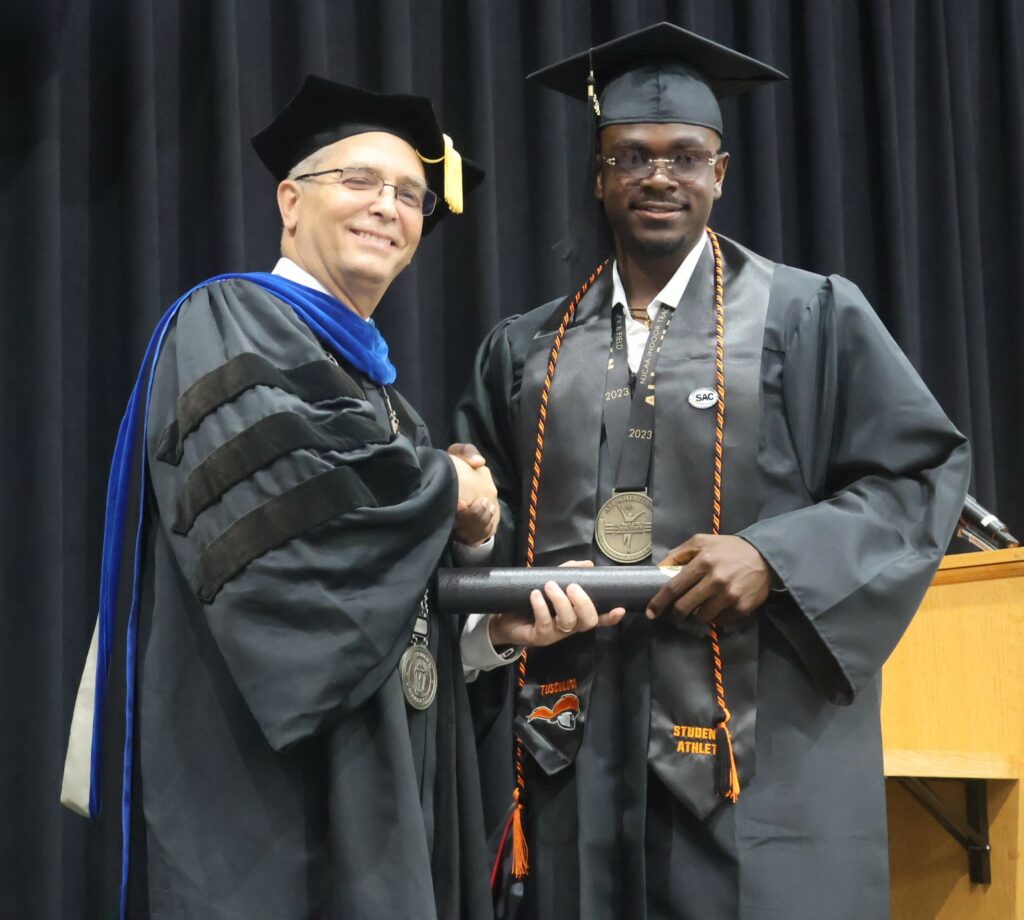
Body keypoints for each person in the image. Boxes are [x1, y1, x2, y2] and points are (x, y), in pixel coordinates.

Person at [453, 23, 972, 920]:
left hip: (761, 768)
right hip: (576, 755)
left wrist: (775, 557)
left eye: (685, 156)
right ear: (600, 173)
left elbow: (919, 475)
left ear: (720, 174)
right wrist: (479, 531)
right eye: (631, 156)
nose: (659, 176)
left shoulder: (809, 317)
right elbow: (485, 530)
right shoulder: (526, 349)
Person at [61, 75, 510, 920]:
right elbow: (304, 541)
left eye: (410, 194)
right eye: (359, 181)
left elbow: (391, 587)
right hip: (263, 801)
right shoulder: (229, 319)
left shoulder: (388, 402)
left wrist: (489, 612)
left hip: (379, 795)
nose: (388, 205)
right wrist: (448, 485)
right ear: (290, 200)